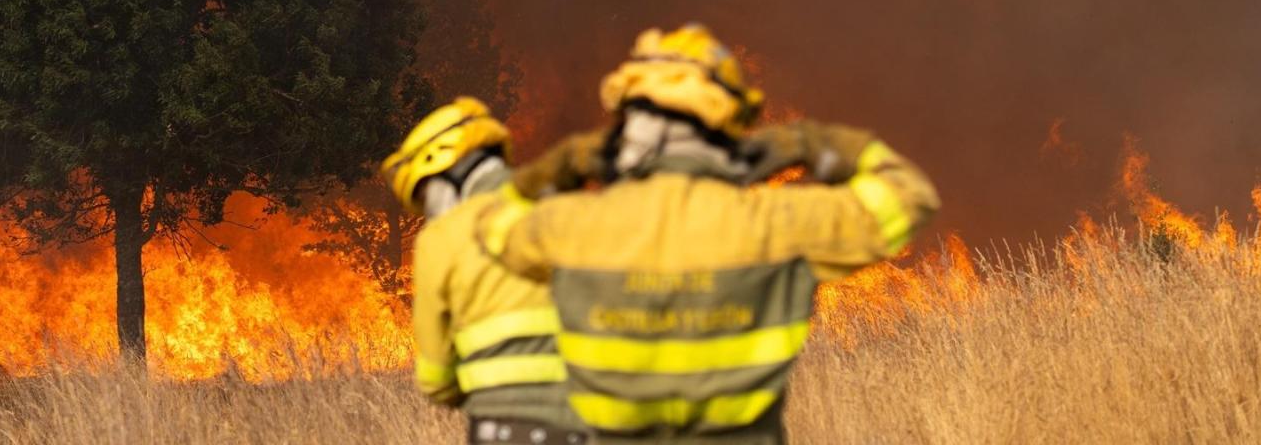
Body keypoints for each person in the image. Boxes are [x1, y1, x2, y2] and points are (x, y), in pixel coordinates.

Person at [476, 25, 941, 443]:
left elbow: (489, 225)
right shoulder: (777, 223)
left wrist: (570, 161)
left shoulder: (572, 228)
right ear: (729, 123)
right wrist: (810, 144)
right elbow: (910, 196)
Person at [382, 97, 588, 445]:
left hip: (506, 430)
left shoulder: (441, 237)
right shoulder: (567, 206)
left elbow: (435, 378)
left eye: (427, 196)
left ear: (449, 170)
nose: (430, 214)